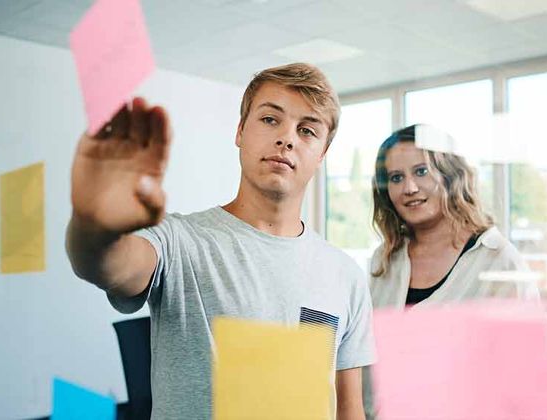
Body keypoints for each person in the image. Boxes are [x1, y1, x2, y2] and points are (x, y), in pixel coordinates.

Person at [66, 63, 374, 420]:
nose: (287, 138)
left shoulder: (345, 275)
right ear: (240, 131)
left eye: (307, 130)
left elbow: (349, 409)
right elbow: (105, 264)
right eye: (271, 119)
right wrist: (93, 225)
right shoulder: (181, 241)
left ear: (321, 155)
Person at [363, 124, 541, 419]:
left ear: (450, 175)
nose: (409, 188)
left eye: (421, 171)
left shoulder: (498, 261)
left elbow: (525, 380)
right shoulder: (383, 262)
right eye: (396, 177)